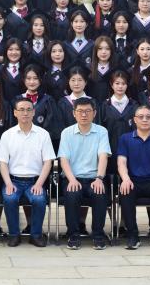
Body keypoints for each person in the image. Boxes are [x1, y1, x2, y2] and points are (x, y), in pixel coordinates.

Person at [0, 97, 55, 247]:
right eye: (21, 110)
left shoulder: (43, 134)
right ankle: (14, 235)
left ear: (34, 112)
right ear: (15, 113)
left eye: (29, 109)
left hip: (35, 181)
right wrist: (8, 183)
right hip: (13, 180)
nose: (25, 113)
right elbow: (3, 163)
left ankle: (36, 235)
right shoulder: (7, 135)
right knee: (9, 199)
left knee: (39, 200)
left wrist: (39, 184)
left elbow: (48, 162)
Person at [58, 97, 111, 250]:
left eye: (88, 111)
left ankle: (98, 235)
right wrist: (72, 179)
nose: (84, 115)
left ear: (94, 113)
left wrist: (99, 178)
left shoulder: (101, 131)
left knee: (100, 194)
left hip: (95, 178)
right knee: (72, 194)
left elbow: (103, 156)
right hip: (73, 178)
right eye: (80, 111)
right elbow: (64, 159)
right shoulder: (67, 133)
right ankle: (73, 235)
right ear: (74, 113)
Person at [117, 106, 150, 250]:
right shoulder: (125, 138)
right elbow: (121, 162)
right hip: (132, 180)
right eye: (140, 117)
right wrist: (125, 179)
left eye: (148, 117)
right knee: (125, 191)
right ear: (134, 120)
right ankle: (132, 236)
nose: (144, 119)